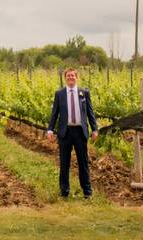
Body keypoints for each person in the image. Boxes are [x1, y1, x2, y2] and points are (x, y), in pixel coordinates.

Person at [46, 68, 98, 199]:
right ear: (65, 78)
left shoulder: (84, 93)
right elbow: (55, 113)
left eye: (73, 75)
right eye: (68, 76)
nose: (71, 77)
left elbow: (90, 112)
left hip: (80, 132)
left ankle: (87, 192)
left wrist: (95, 129)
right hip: (65, 133)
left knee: (83, 163)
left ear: (77, 77)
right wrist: (50, 129)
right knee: (64, 163)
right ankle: (64, 192)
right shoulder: (59, 94)